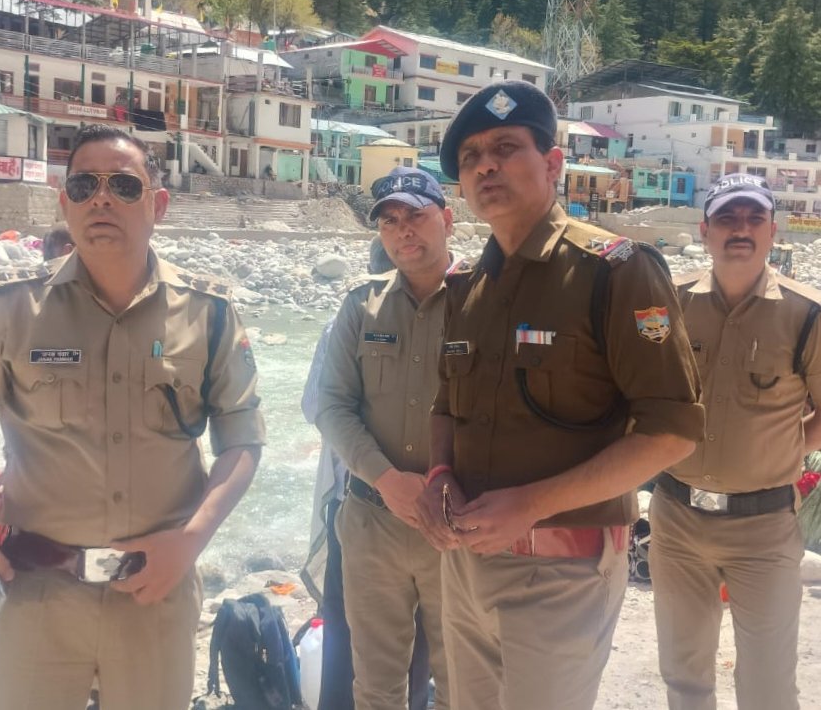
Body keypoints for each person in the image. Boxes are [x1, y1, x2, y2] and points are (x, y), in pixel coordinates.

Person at [0, 124, 265, 710]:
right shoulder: (12, 309)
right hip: (31, 593)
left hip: (154, 594)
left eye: (123, 186)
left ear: (158, 205)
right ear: (65, 203)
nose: (101, 199)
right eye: (84, 185)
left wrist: (192, 540)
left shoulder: (209, 314)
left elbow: (242, 437)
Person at [416, 80, 705, 710]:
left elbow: (672, 431)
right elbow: (445, 405)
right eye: (470, 157)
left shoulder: (616, 270)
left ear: (552, 163)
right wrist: (439, 473)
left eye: (505, 148)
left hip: (563, 570)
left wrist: (532, 504)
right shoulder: (466, 285)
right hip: (464, 566)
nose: (485, 166)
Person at [650, 173, 821, 710]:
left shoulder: (807, 314)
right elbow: (642, 392)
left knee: (768, 687)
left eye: (753, 218)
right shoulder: (671, 303)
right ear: (705, 231)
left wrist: (786, 449)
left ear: (773, 231)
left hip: (763, 529)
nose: (740, 229)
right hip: (676, 520)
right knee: (684, 678)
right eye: (726, 218)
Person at [316, 166, 453, 710]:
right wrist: (386, 479)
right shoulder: (360, 305)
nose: (403, 230)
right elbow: (332, 406)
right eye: (389, 221)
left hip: (456, 522)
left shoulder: (483, 303)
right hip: (372, 522)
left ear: (447, 219)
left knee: (465, 682)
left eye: (415, 215)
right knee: (375, 686)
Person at [301, 237, 430, 710]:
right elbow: (324, 406)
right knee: (367, 636)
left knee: (359, 635)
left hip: (373, 501)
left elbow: (312, 405)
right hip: (362, 503)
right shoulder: (351, 317)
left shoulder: (453, 312)